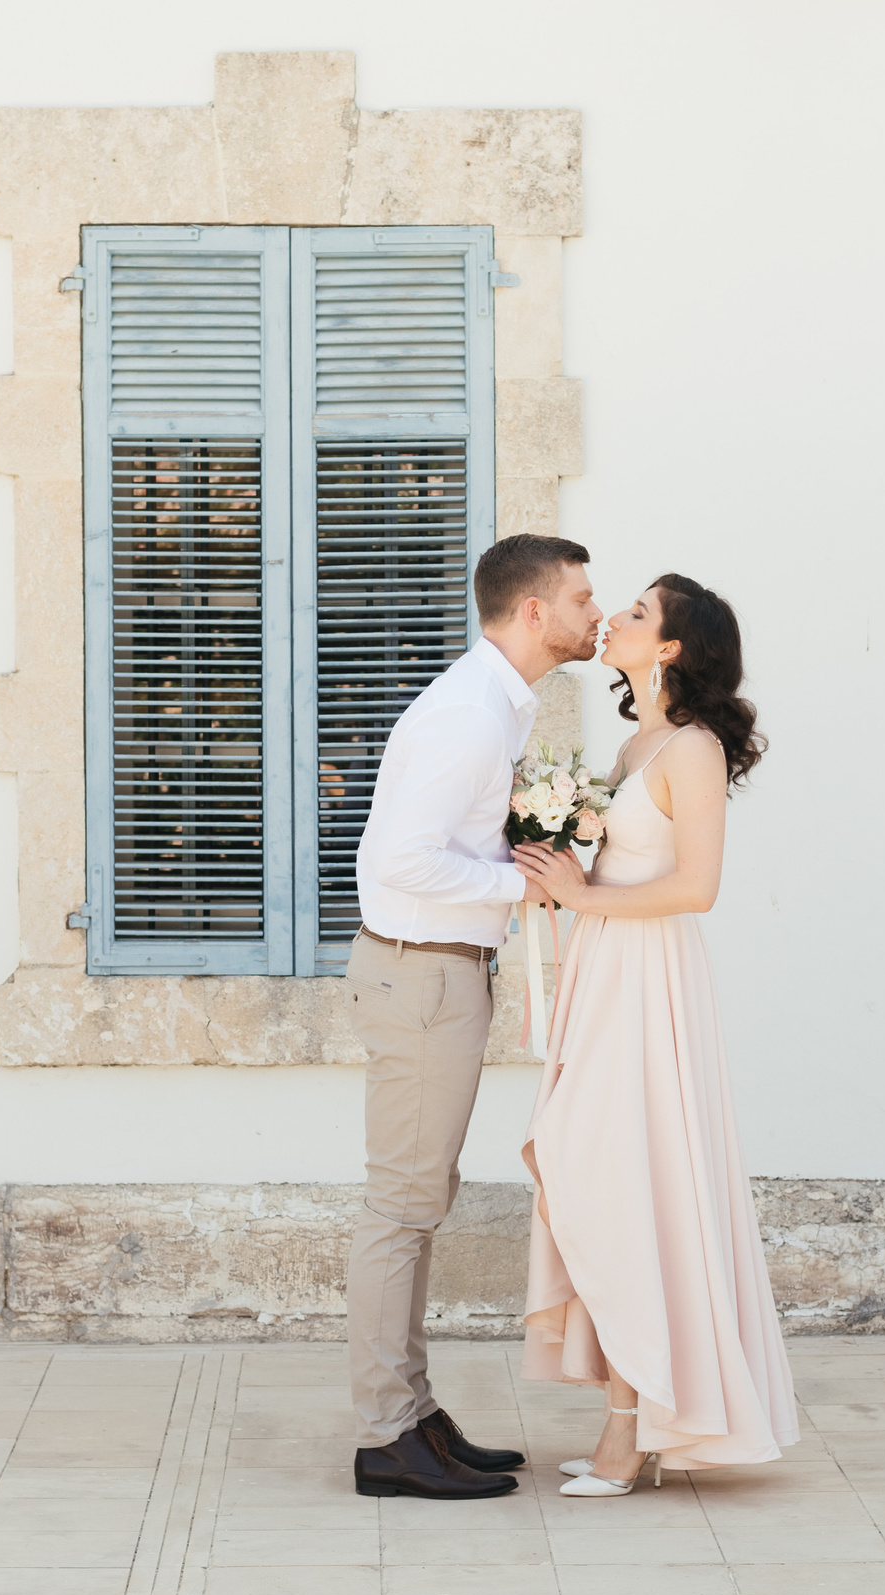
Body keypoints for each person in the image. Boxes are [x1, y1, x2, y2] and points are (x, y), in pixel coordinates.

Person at [511, 572, 799, 1496]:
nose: (613, 619)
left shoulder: (694, 749)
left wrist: (583, 893)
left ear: (670, 647)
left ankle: (631, 1429)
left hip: (649, 979)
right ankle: (628, 1410)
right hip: (604, 970)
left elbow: (697, 887)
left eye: (636, 613)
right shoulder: (636, 743)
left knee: (625, 1185)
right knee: (580, 1168)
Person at [345, 533, 603, 1500]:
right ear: (534, 612)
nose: (594, 613)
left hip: (441, 976)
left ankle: (413, 1415)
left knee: (419, 1200)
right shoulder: (465, 713)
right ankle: (385, 1433)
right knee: (400, 1208)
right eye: (581, 598)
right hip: (420, 979)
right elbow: (399, 861)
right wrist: (520, 884)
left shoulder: (493, 704)